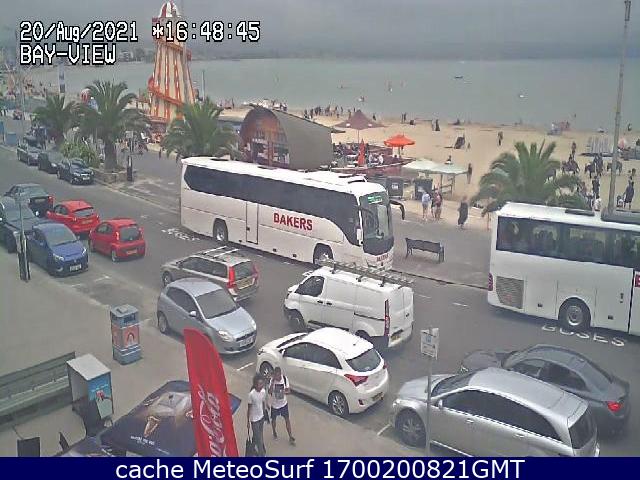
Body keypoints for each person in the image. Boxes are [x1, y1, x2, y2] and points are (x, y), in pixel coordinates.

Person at [268, 367, 295, 445]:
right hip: (275, 405)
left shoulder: (285, 379)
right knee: (274, 420)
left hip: (283, 404)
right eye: (275, 376)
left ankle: (290, 436)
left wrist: (283, 392)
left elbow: (289, 391)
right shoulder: (272, 380)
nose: (277, 378)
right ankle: (274, 431)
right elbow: (269, 392)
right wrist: (272, 382)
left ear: (280, 374)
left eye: (278, 376)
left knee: (287, 420)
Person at [247, 374, 268, 457]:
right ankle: (261, 455)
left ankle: (252, 449)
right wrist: (248, 421)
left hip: (261, 418)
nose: (261, 386)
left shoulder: (263, 391)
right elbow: (249, 408)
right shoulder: (251, 395)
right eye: (259, 384)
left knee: (258, 436)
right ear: (255, 384)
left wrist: (264, 412)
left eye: (262, 383)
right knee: (259, 439)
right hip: (254, 419)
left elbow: (263, 402)